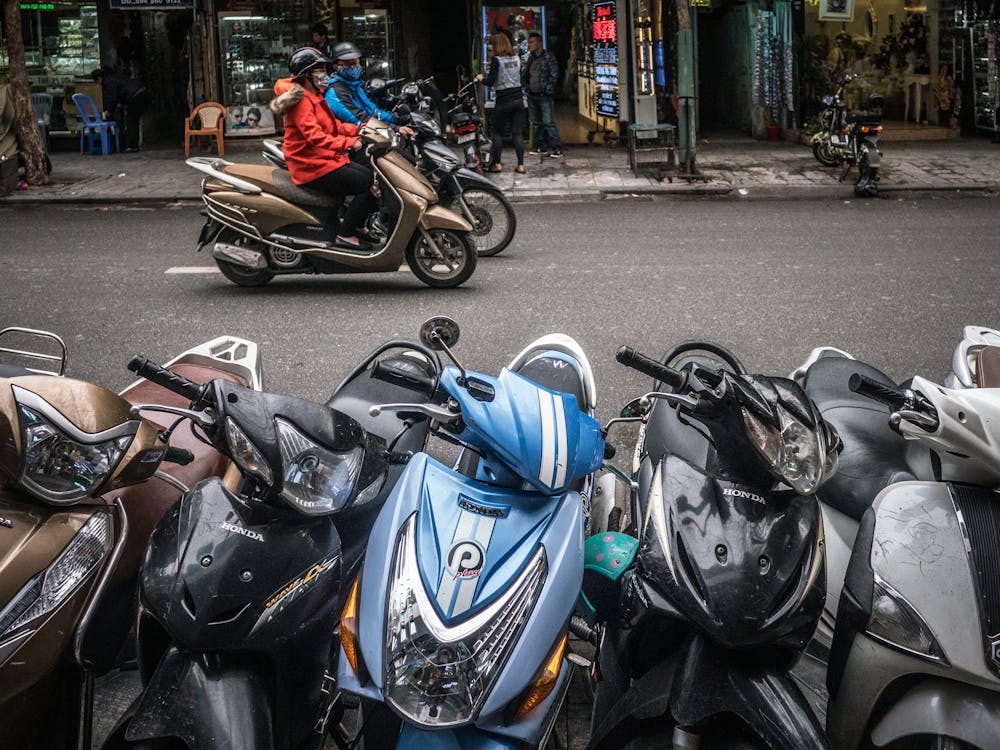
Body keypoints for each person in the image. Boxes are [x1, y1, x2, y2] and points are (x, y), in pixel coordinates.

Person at [269, 47, 377, 250]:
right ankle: (346, 235)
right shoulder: (302, 101)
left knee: (372, 175)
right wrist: (348, 143)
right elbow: (314, 136)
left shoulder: (315, 96)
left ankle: (357, 225)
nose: (324, 75)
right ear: (306, 76)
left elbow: (334, 126)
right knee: (367, 184)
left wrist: (359, 130)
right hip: (311, 166)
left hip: (324, 159)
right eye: (319, 71)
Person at [324, 42, 416, 141]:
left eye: (355, 63)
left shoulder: (355, 86)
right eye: (347, 64)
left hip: (366, 137)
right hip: (350, 144)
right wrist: (395, 128)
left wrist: (401, 119)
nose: (353, 68)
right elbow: (360, 119)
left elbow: (373, 112)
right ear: (336, 66)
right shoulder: (334, 93)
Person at [475, 33, 526, 173]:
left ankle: (497, 164)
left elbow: (491, 82)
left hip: (503, 100)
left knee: (497, 132)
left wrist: (481, 78)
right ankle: (521, 165)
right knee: (517, 133)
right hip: (518, 99)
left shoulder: (497, 61)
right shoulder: (517, 58)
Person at [90, 66, 149, 152]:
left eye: (96, 82)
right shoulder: (114, 77)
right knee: (134, 120)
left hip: (134, 96)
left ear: (99, 78)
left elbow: (112, 97)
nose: (98, 84)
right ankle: (133, 145)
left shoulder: (107, 82)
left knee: (131, 121)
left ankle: (132, 146)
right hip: (141, 92)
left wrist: (108, 111)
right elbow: (120, 91)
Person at [523, 31, 562, 158]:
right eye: (529, 42)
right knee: (535, 122)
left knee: (548, 122)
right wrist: (526, 87)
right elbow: (526, 74)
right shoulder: (531, 58)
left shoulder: (549, 57)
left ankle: (557, 148)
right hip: (532, 94)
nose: (530, 44)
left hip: (544, 95)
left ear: (539, 43)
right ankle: (541, 146)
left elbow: (554, 75)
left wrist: (548, 90)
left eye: (532, 42)